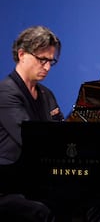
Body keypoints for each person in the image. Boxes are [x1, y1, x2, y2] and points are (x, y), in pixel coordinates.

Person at [0, 25, 64, 221]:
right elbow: (30, 139)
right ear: (22, 54)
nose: (46, 67)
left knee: (90, 202)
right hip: (7, 183)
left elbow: (61, 132)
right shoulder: (6, 93)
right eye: (42, 60)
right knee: (42, 210)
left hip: (34, 177)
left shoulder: (47, 94)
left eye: (51, 62)